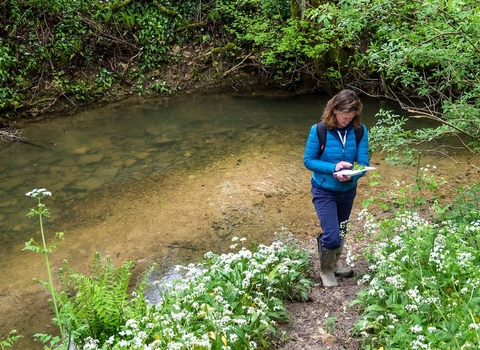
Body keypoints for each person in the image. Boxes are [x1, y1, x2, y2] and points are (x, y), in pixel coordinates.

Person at [303, 89, 369, 287]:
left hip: (347, 190)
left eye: (351, 117)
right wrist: (333, 169)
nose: (347, 120)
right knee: (331, 236)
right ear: (334, 111)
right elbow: (308, 161)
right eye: (343, 116)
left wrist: (353, 174)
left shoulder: (360, 131)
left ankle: (334, 264)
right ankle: (326, 271)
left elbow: (363, 163)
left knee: (341, 230)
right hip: (323, 189)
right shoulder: (319, 130)